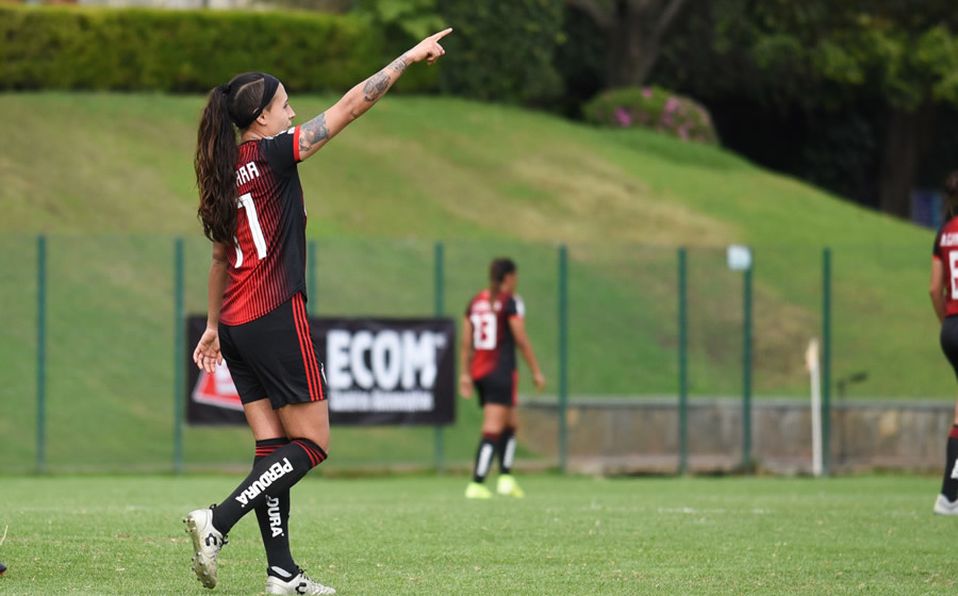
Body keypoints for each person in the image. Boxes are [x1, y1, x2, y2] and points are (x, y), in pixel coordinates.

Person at [186, 28, 453, 594]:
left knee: (271, 449)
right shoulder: (275, 153)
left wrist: (211, 326)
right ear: (259, 118)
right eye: (285, 105)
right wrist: (407, 56)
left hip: (234, 325)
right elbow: (352, 106)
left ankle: (281, 572)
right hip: (276, 314)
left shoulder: (224, 171)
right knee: (312, 444)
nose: (293, 113)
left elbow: (217, 257)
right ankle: (219, 518)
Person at [459, 258, 546, 499]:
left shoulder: (476, 302)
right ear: (508, 277)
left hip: (480, 371)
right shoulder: (508, 304)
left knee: (511, 424)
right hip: (500, 371)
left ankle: (506, 478)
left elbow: (466, 342)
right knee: (493, 427)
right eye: (515, 277)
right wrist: (536, 370)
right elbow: (520, 339)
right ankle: (476, 483)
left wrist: (465, 374)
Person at [931, 171, 958, 515]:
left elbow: (933, 288)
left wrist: (948, 322)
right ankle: (949, 494)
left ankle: (949, 495)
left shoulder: (945, 232)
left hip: (951, 326)